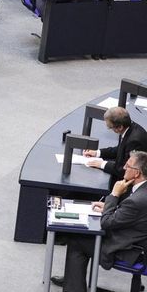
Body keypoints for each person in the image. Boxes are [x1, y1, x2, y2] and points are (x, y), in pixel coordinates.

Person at [53, 151, 147, 292]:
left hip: (129, 250)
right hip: (138, 241)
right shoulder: (142, 191)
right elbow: (134, 216)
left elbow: (107, 222)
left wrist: (114, 195)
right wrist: (112, 208)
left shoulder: (136, 200)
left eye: (128, 166)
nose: (123, 168)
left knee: (76, 239)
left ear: (137, 173)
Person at [84, 107, 147, 184]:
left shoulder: (135, 141)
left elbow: (126, 169)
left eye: (110, 127)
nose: (110, 129)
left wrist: (102, 164)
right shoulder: (129, 127)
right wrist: (98, 153)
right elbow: (121, 149)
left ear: (120, 127)